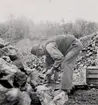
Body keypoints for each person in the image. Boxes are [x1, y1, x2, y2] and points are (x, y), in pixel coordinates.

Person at [31, 34, 83, 102]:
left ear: (40, 50)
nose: (41, 56)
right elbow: (48, 63)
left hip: (74, 45)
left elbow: (59, 58)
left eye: (40, 55)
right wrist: (47, 77)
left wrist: (52, 70)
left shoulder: (49, 47)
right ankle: (67, 86)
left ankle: (65, 90)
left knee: (66, 63)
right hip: (69, 48)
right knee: (59, 63)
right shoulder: (47, 51)